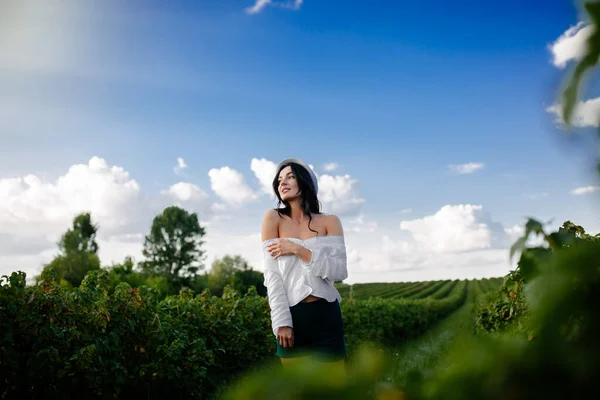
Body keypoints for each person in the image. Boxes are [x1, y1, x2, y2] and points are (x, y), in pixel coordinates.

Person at [261, 157, 349, 371]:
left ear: (305, 181)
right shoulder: (273, 219)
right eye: (280, 179)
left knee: (335, 388)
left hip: (326, 314)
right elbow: (272, 275)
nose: (283, 182)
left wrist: (299, 250)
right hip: (293, 316)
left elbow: (340, 271)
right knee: (296, 391)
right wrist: (281, 321)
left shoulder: (330, 221)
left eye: (290, 176)